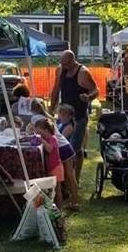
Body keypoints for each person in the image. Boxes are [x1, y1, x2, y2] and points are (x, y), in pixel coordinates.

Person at [49, 50, 98, 181]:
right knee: (61, 146)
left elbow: (95, 90)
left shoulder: (83, 73)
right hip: (64, 116)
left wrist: (89, 97)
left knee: (75, 148)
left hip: (78, 117)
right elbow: (56, 89)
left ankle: (76, 179)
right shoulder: (59, 70)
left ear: (72, 61)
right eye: (61, 64)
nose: (63, 66)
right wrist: (50, 109)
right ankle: (65, 179)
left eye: (65, 64)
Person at [34, 118, 64, 206]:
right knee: (51, 190)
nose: (39, 135)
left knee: (57, 190)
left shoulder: (52, 139)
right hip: (51, 168)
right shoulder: (47, 139)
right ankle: (53, 207)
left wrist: (42, 141)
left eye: (40, 132)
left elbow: (50, 149)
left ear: (46, 131)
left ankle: (59, 208)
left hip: (56, 167)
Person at [56, 104, 80, 210]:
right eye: (60, 113)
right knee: (66, 176)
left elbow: (62, 138)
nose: (62, 115)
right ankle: (69, 197)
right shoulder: (60, 123)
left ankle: (75, 201)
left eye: (65, 114)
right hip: (62, 151)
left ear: (70, 116)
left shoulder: (69, 126)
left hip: (67, 152)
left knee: (71, 176)